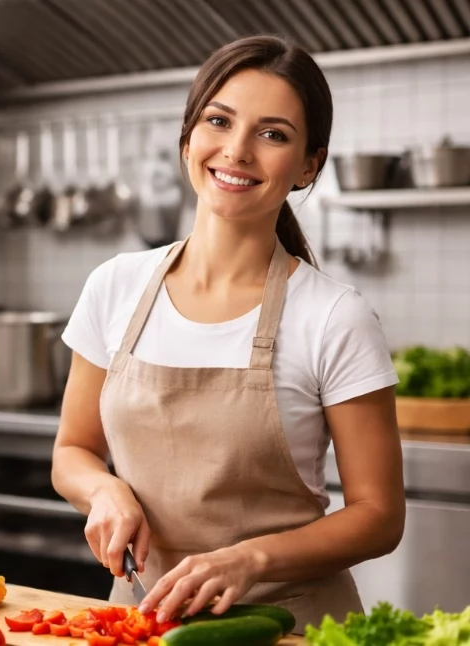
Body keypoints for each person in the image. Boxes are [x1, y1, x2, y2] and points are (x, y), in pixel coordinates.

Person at [51, 35, 405, 633]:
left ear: (308, 165)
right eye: (219, 121)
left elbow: (379, 516)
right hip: (141, 617)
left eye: (273, 134)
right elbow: (72, 452)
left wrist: (252, 559)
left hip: (289, 623)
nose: (236, 151)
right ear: (188, 137)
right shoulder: (115, 285)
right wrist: (104, 491)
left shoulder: (334, 316)